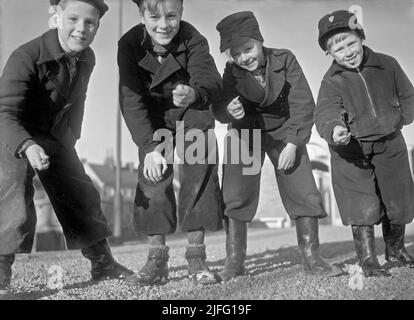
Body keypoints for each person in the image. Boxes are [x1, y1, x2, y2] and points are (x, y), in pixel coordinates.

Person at [0, 0, 133, 297]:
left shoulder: (88, 57)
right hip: (13, 133)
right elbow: (3, 112)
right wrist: (27, 145)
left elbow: (79, 100)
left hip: (54, 134)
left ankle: (103, 264)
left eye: (90, 23)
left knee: (81, 191)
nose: (81, 29)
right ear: (55, 17)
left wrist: (71, 137)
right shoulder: (26, 56)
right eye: (73, 19)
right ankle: (0, 274)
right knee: (11, 196)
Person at [213, 11, 343, 281]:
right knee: (236, 192)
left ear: (260, 41)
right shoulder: (231, 72)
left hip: (285, 130)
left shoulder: (285, 59)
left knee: (303, 188)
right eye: (235, 54)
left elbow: (302, 102)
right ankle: (235, 261)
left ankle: (311, 257)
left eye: (248, 49)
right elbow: (221, 107)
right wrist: (228, 110)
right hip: (246, 132)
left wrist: (294, 143)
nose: (243, 58)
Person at [118, 0, 223, 286]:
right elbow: (131, 100)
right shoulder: (128, 44)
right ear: (141, 16)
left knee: (199, 173)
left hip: (192, 111)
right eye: (154, 17)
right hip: (155, 120)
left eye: (172, 16)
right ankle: (157, 260)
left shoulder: (193, 38)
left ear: (181, 14)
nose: (163, 25)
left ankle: (197, 258)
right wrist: (150, 149)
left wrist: (194, 93)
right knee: (154, 180)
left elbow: (211, 79)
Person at [314, 9, 414, 277]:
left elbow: (407, 95)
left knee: (398, 200)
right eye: (337, 49)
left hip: (390, 143)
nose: (347, 52)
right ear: (329, 54)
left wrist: (400, 118)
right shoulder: (331, 80)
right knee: (362, 205)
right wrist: (334, 129)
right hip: (351, 150)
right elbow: (325, 111)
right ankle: (369, 260)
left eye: (350, 43)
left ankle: (395, 248)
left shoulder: (388, 65)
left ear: (361, 38)